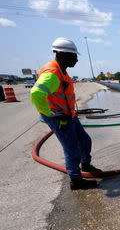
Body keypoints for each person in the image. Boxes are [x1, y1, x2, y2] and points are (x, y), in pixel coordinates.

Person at [31, 37, 101, 190]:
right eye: (73, 55)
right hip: (60, 118)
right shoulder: (53, 74)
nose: (76, 59)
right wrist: (51, 114)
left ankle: (86, 166)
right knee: (71, 148)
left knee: (85, 141)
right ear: (62, 54)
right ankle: (76, 181)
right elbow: (36, 94)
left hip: (69, 115)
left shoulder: (61, 71)